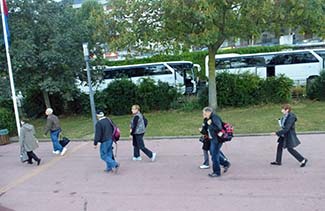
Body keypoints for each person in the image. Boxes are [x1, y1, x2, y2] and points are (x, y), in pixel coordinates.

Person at [202, 107, 231, 178]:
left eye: (204, 113)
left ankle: (217, 172)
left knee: (214, 155)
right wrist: (202, 129)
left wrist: (210, 124)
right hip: (212, 139)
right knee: (213, 153)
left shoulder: (215, 118)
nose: (203, 115)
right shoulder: (207, 119)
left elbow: (219, 128)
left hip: (217, 139)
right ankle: (225, 163)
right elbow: (205, 129)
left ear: (208, 112)